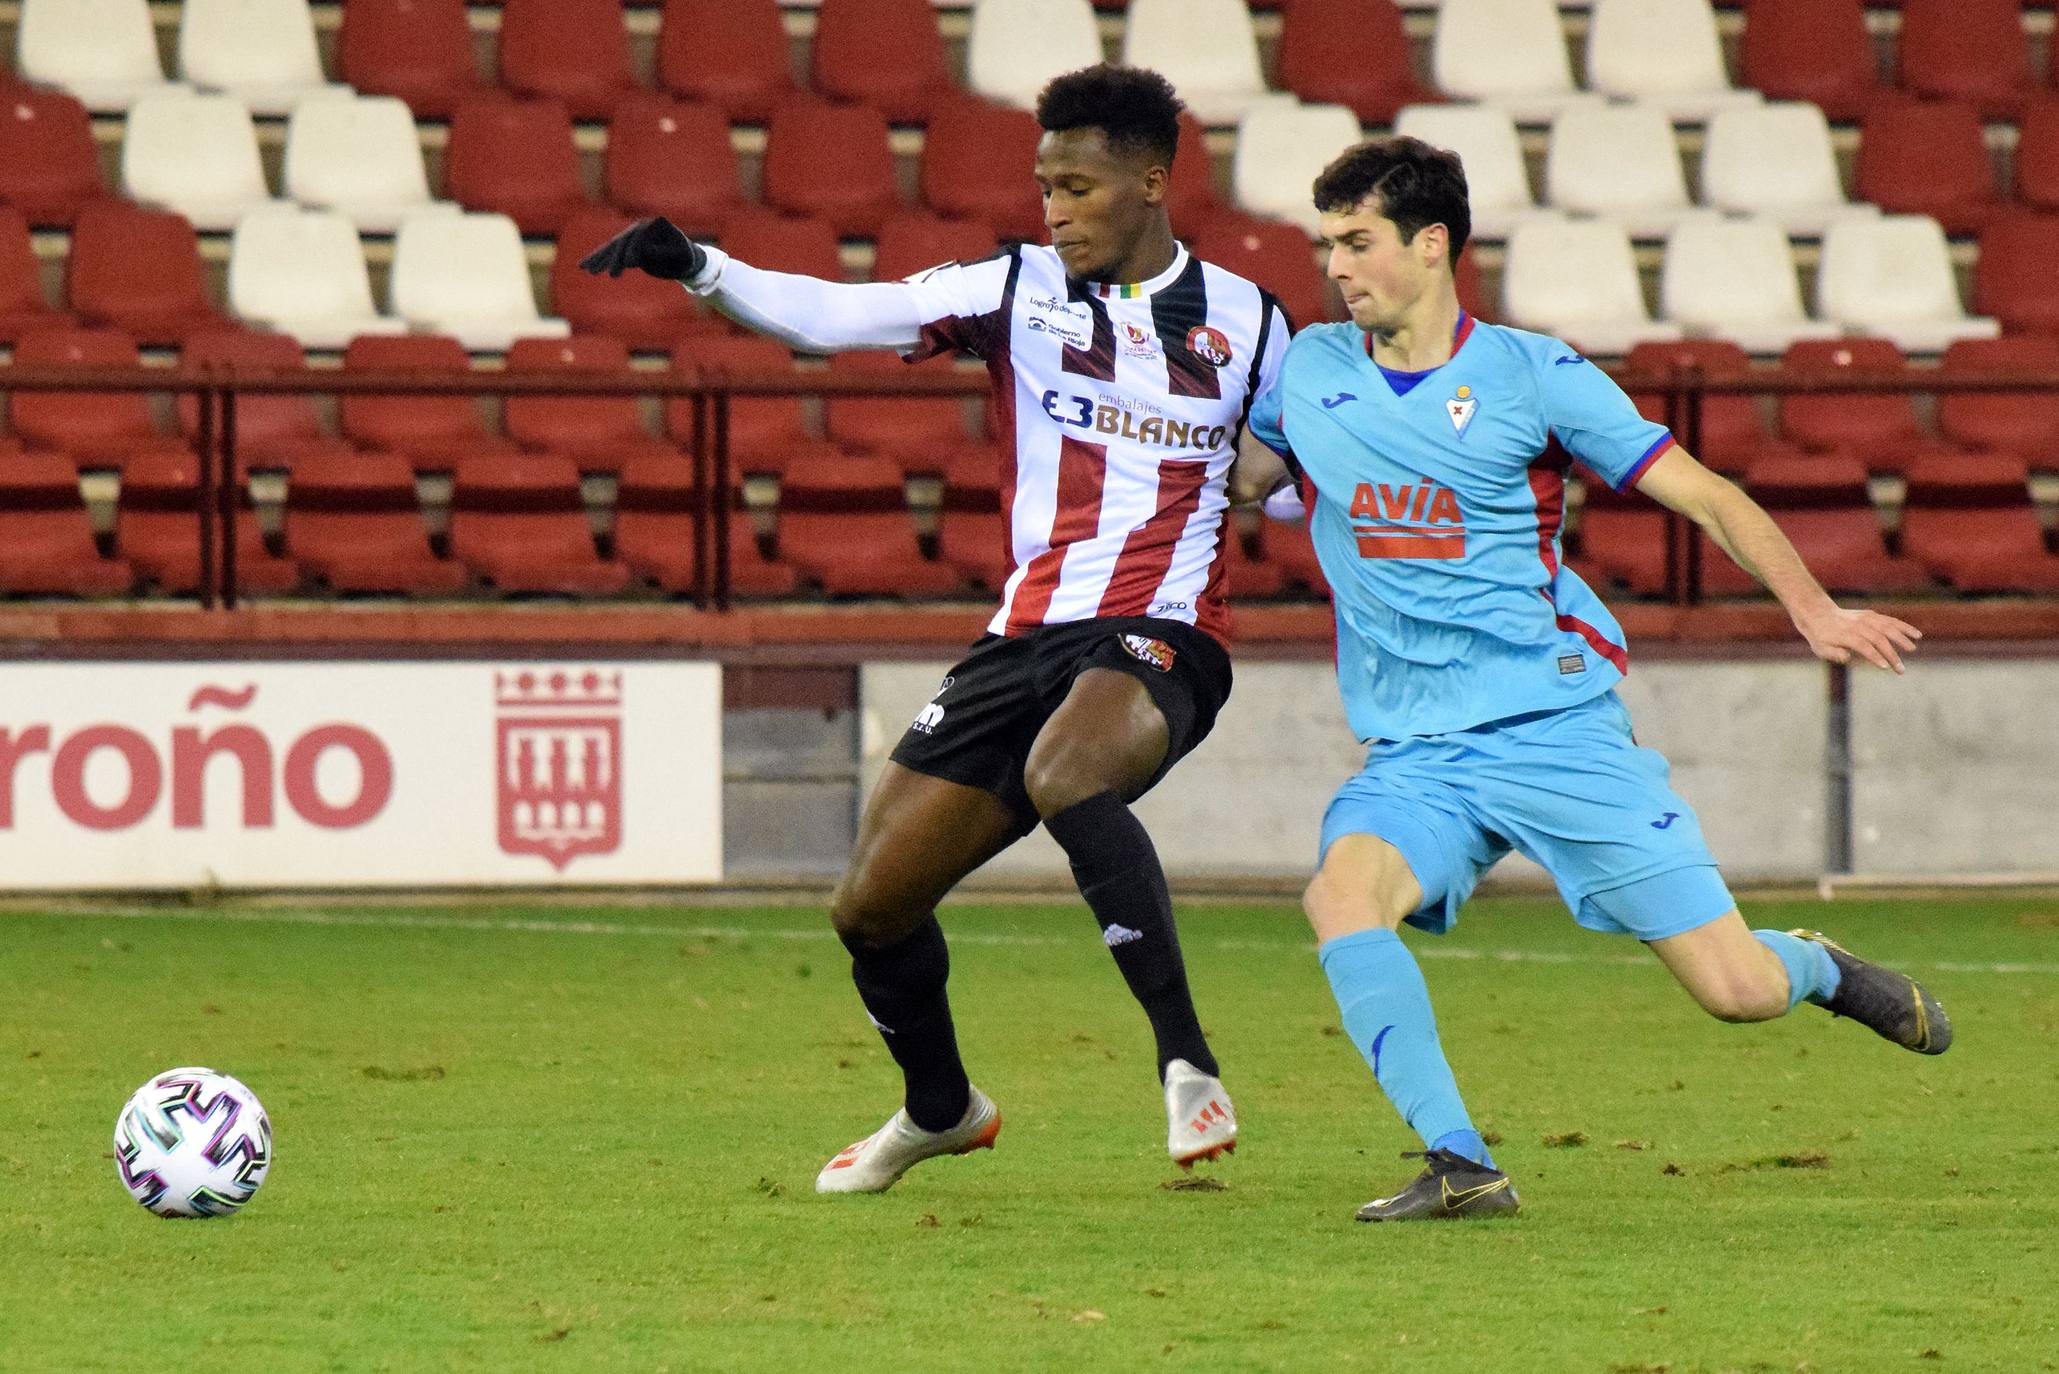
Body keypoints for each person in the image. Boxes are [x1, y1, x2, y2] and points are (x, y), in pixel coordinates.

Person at [582, 65, 1290, 1194]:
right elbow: (840, 315)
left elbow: (1296, 471)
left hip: (1164, 630)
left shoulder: (1252, 322)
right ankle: (941, 1108)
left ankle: (1185, 1061)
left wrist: (1290, 467)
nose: (1052, 208)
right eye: (1043, 185)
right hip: (1023, 637)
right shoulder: (1014, 287)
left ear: (1151, 182)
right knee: (870, 906)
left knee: (1069, 771)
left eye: (1077, 186)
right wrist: (703, 267)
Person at [1230, 136, 1947, 1223]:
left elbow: (1705, 495)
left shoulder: (1533, 375)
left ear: (1431, 246)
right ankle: (1459, 1162)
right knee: (1340, 896)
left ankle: (1814, 967)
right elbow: (1247, 476)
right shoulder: (1314, 368)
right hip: (1417, 752)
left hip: (1551, 725)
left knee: (1736, 993)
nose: (1335, 265)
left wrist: (1812, 607)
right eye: (1326, 243)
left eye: (1357, 241)